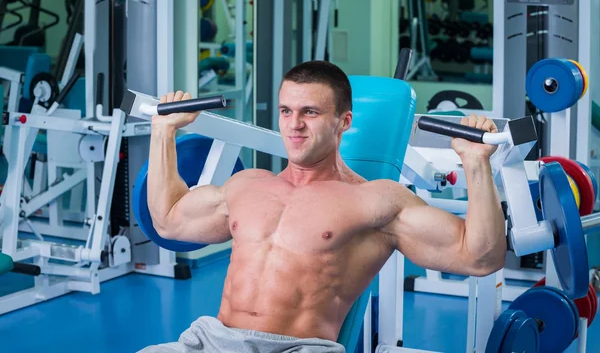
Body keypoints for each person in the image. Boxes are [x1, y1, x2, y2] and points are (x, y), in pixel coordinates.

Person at [141, 60, 506, 353]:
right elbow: (169, 221)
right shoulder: (247, 185)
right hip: (213, 341)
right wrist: (163, 132)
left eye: (310, 112)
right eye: (286, 111)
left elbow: (479, 257)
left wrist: (475, 162)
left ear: (343, 122)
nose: (294, 125)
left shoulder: (376, 201)